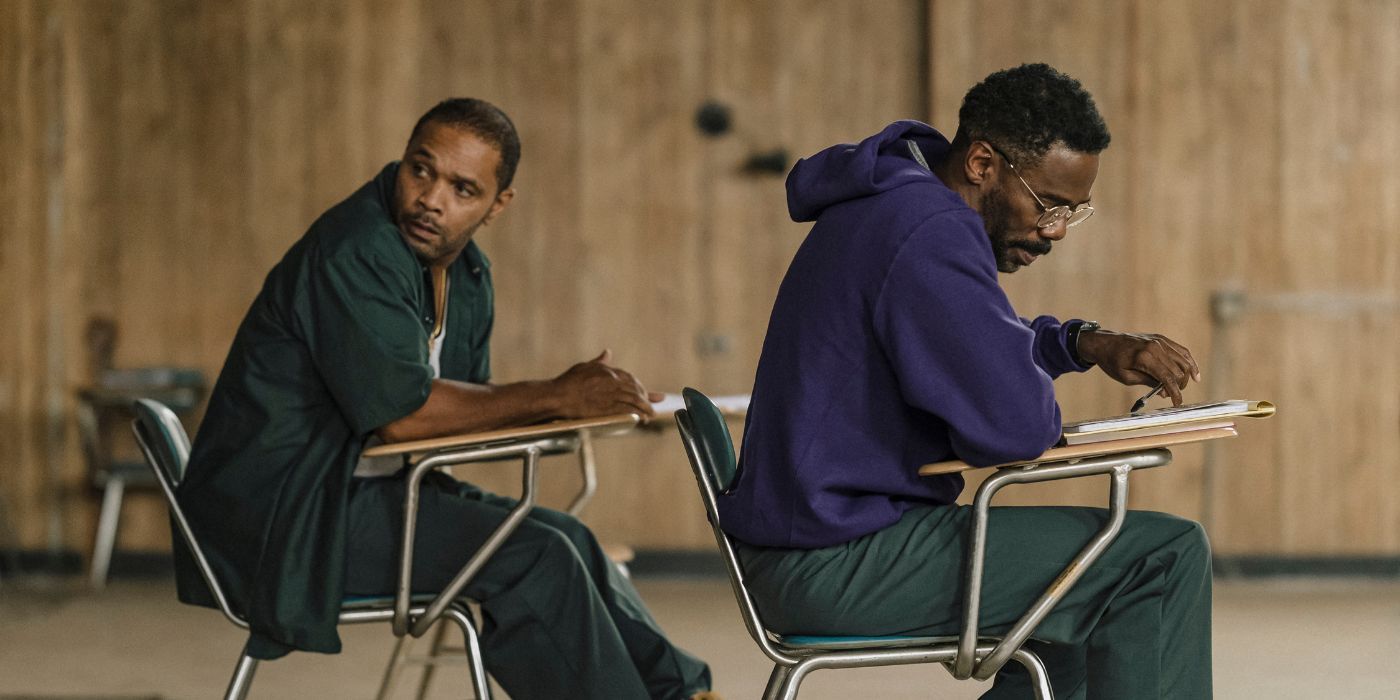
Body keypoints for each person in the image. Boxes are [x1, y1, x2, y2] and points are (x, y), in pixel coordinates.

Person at [177, 97, 714, 699]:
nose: (431, 199)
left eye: (463, 188)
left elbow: (460, 412)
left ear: (496, 204)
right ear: (401, 162)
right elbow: (406, 420)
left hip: (360, 491)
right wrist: (558, 396)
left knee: (567, 537)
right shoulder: (358, 249)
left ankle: (686, 695)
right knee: (534, 557)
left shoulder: (467, 274)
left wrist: (578, 403)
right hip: (285, 514)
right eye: (421, 170)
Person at [721, 64, 1212, 698]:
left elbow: (971, 338)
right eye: (1048, 204)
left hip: (805, 539)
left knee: (1076, 597)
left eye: (1074, 210)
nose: (1055, 230)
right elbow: (1014, 426)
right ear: (983, 163)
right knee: (1160, 557)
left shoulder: (894, 198)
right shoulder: (928, 231)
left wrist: (1083, 342)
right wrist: (1025, 372)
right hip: (834, 560)